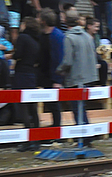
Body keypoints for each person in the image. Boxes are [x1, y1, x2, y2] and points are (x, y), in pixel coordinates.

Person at [57, 9, 98, 146]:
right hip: (89, 77)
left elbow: (68, 61)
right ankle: (86, 138)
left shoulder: (68, 37)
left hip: (76, 78)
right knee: (82, 108)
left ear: (65, 21)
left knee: (77, 109)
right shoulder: (87, 36)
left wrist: (59, 70)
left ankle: (84, 138)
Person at [13, 17, 41, 152]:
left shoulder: (23, 37)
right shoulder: (36, 39)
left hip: (21, 73)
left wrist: (11, 55)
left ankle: (27, 139)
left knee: (23, 106)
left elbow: (18, 54)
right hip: (32, 74)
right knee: (32, 107)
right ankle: (36, 138)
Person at [38, 8, 64, 129]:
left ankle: (57, 127)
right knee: (48, 102)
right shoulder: (42, 35)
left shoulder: (57, 36)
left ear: (43, 21)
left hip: (53, 75)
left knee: (54, 104)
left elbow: (59, 59)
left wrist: (57, 80)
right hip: (42, 73)